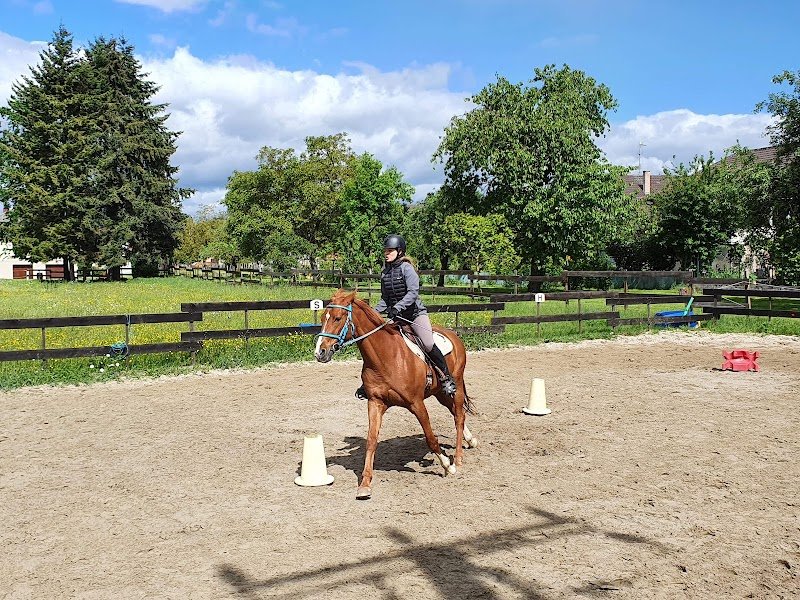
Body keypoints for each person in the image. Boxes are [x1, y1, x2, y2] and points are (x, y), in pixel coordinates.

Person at [357, 234, 457, 398]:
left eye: (390, 250)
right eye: (385, 250)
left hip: (414, 315)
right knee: (376, 344)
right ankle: (368, 382)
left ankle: (445, 378)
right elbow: (385, 298)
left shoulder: (407, 269)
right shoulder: (385, 272)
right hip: (396, 316)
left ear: (400, 251)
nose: (386, 253)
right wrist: (373, 313)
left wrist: (397, 307)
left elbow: (412, 293)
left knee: (428, 343)